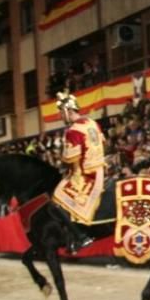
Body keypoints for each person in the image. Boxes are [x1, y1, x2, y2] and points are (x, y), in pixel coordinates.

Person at [49, 92, 106, 253]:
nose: (60, 116)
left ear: (67, 111)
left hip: (86, 175)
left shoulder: (73, 130)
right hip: (100, 169)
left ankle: (80, 236)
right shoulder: (92, 123)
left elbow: (71, 159)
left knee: (57, 199)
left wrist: (63, 163)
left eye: (61, 112)